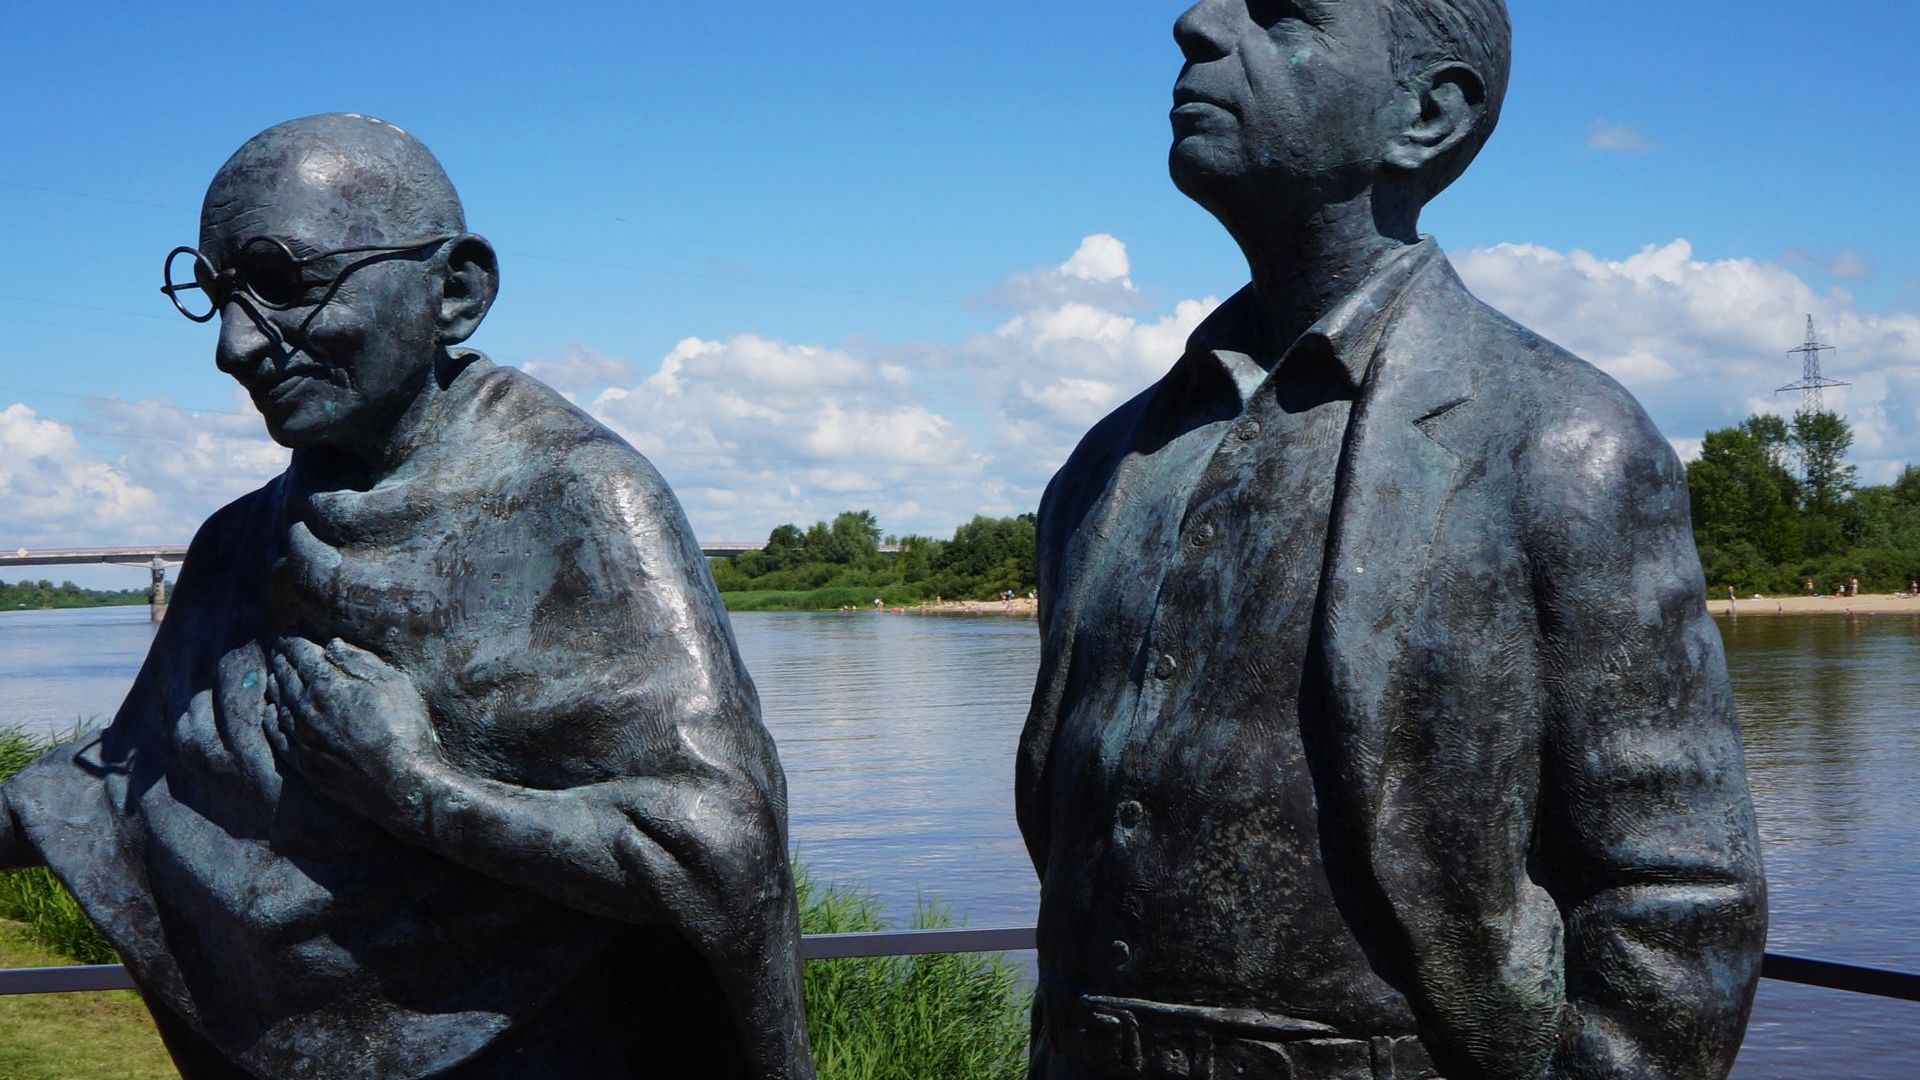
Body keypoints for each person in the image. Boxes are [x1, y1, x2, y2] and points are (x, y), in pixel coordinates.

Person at [1015, 4, 1765, 1079]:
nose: (1196, 25)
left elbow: (1681, 894)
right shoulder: (1106, 465)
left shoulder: (1560, 440)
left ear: (1427, 113)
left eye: (1284, 15)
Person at [0, 115, 810, 1080]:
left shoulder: (581, 499)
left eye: (283, 282)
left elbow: (719, 857)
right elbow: (111, 782)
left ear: (456, 292)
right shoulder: (234, 548)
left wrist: (416, 790)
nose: (234, 346)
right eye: (217, 293)